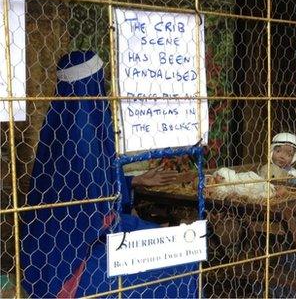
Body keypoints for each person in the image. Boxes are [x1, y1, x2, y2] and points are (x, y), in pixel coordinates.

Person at [20, 51, 197, 298]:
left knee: (177, 242)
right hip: (75, 261)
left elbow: (91, 186)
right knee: (181, 256)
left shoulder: (58, 125)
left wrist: (131, 181)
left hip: (50, 258)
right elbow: (94, 212)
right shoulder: (82, 134)